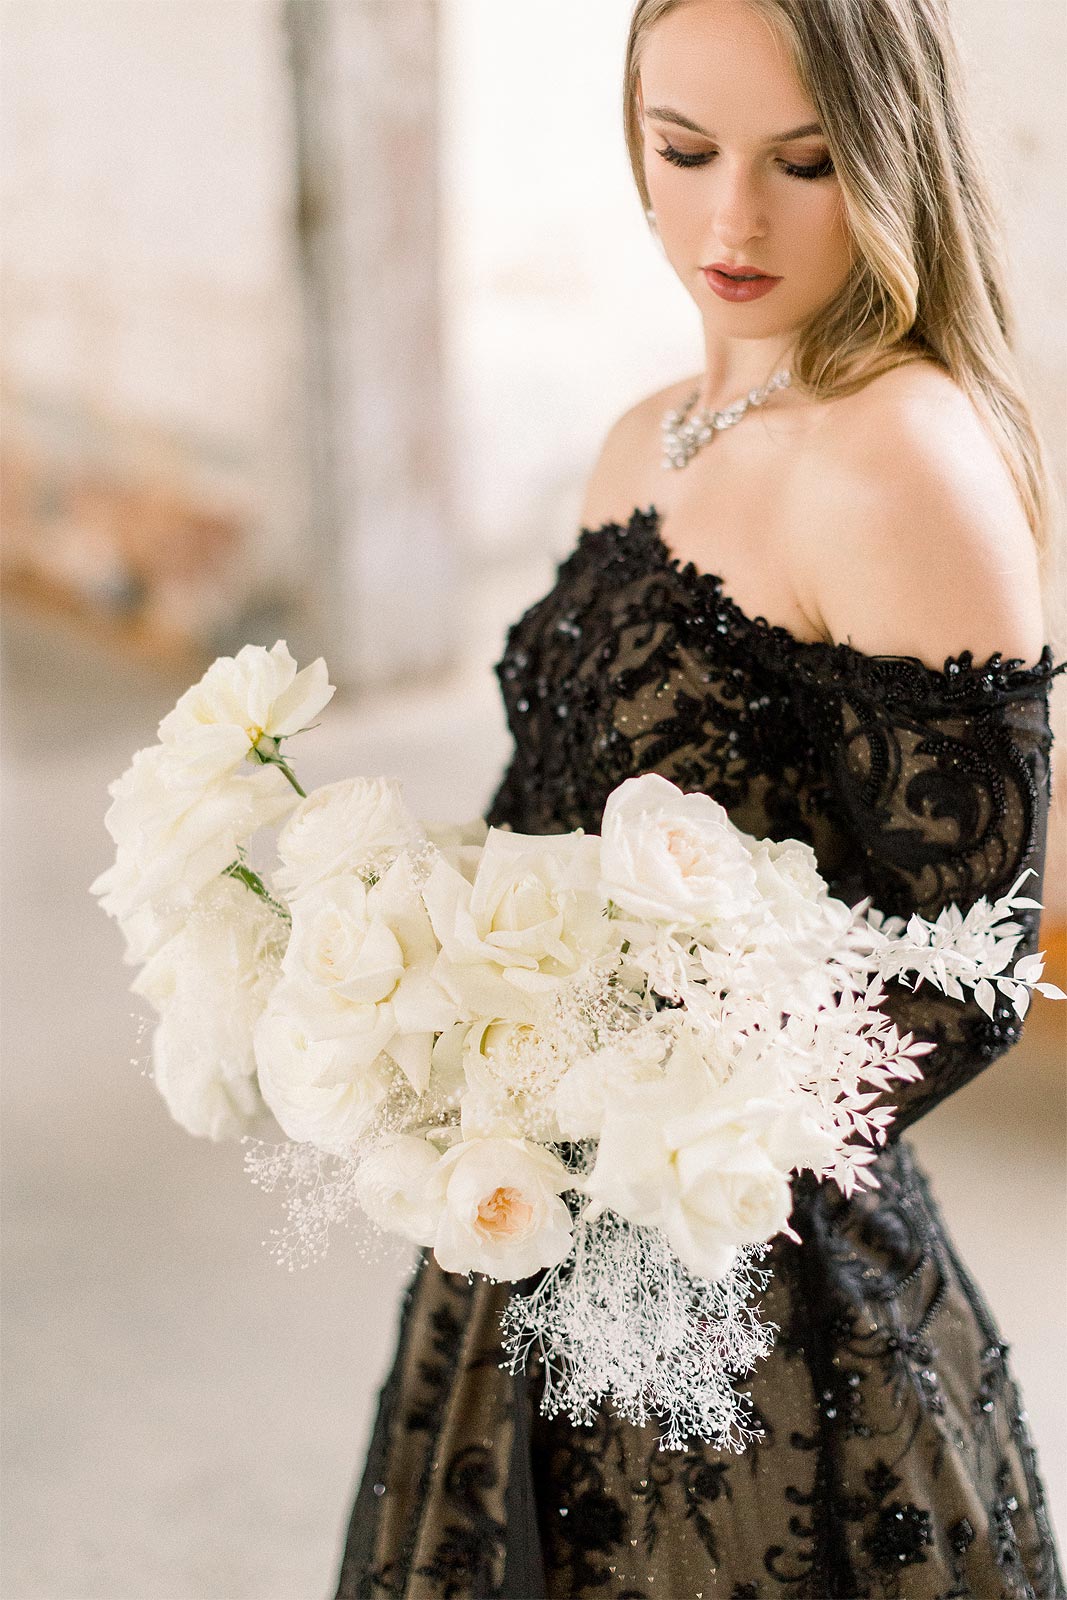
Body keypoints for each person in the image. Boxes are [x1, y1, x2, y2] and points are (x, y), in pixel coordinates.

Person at [333, 0, 1067, 1594]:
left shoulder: (900, 459)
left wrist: (647, 1130)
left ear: (890, 155)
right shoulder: (640, 438)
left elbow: (968, 973)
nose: (729, 220)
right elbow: (557, 814)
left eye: (803, 163)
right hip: (540, 1217)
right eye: (685, 151)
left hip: (753, 1280)